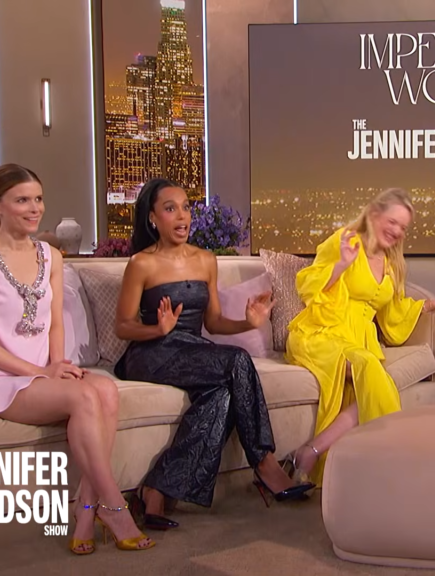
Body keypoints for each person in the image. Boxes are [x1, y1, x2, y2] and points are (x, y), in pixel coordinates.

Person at [0, 164, 153, 554]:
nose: (34, 208)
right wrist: (39, 372)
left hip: (42, 372)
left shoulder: (51, 256)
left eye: (38, 199)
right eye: (22, 200)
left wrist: (56, 365)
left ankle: (86, 511)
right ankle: (113, 505)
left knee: (106, 391)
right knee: (83, 396)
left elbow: (55, 322)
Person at [114, 179, 314, 528]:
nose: (182, 216)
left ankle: (156, 490)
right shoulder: (141, 264)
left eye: (186, 207)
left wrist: (249, 323)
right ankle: (265, 463)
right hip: (150, 353)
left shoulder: (206, 260)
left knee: (220, 396)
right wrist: (156, 330)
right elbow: (122, 326)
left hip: (191, 348)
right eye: (170, 208)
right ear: (152, 219)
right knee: (237, 361)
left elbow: (215, 323)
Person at [284, 188, 435, 483]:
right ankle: (393, 466)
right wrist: (341, 266)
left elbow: (392, 315)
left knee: (376, 382)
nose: (398, 231)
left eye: (403, 227)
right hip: (323, 332)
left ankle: (310, 452)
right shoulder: (345, 241)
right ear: (374, 215)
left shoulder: (392, 263)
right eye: (393, 222)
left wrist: (428, 304)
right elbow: (308, 286)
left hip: (359, 340)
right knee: (371, 370)